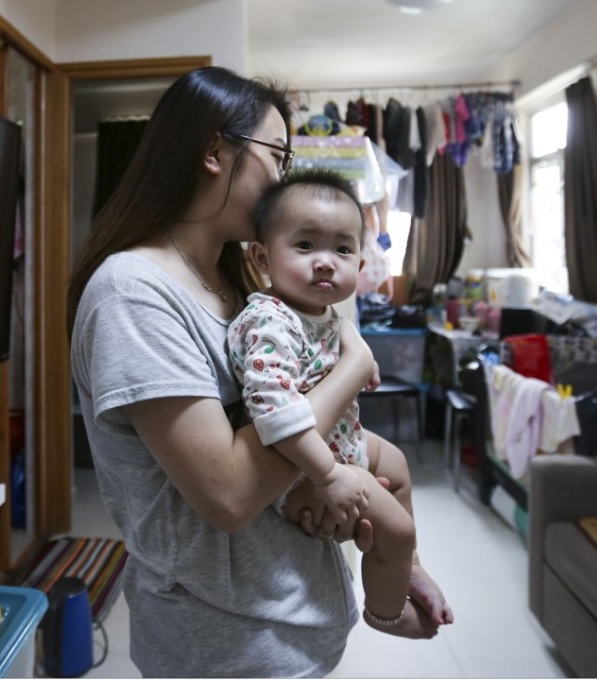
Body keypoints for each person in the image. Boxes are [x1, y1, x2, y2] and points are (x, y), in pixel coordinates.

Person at [67, 66, 448, 678]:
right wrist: (354, 366)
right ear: (215, 151)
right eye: (278, 154)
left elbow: (293, 418)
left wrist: (403, 563)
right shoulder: (132, 293)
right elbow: (230, 494)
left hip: (294, 615)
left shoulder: (233, 282)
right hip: (228, 644)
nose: (284, 176)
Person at [228, 168, 453, 639]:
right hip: (299, 464)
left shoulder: (320, 313)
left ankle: (407, 567)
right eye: (305, 246)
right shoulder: (268, 321)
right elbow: (275, 412)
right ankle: (387, 613)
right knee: (397, 528)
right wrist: (328, 475)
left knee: (395, 462)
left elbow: (332, 353)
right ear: (262, 257)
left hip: (336, 443)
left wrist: (355, 357)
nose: (326, 262)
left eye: (343, 249)